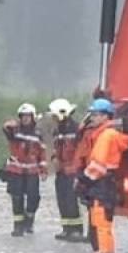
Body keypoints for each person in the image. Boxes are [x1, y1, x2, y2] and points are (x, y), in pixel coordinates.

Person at [76, 98, 128, 253]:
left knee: (101, 227)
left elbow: (98, 165)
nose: (92, 118)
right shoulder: (108, 134)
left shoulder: (105, 135)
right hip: (106, 185)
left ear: (105, 116)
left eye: (95, 114)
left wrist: (82, 180)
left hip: (101, 185)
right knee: (104, 227)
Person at [2, 102, 47, 236]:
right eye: (23, 116)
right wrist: (9, 125)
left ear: (33, 117)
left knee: (34, 197)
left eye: (28, 116)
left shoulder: (38, 135)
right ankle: (18, 226)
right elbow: (6, 129)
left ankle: (29, 219)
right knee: (17, 198)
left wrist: (43, 170)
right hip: (16, 170)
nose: (25, 118)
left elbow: (42, 154)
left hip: (32, 171)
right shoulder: (15, 132)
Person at [47, 98, 85, 241]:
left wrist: (77, 168)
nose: (54, 118)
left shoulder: (76, 129)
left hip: (72, 170)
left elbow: (80, 150)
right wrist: (54, 159)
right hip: (61, 171)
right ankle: (67, 229)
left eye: (55, 115)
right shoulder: (58, 130)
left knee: (71, 200)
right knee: (62, 199)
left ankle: (77, 230)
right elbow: (57, 149)